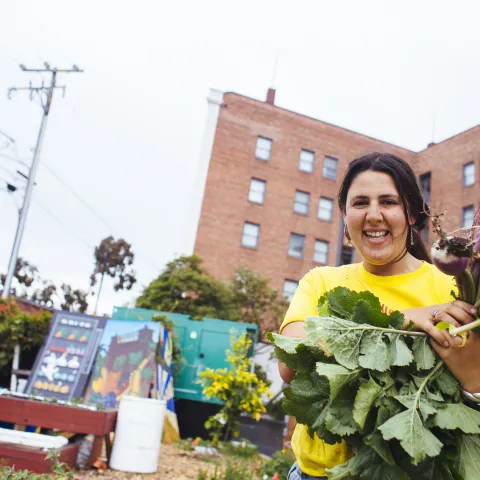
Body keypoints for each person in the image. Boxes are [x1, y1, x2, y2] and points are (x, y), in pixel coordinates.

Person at [278, 152, 480, 480]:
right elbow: (291, 359)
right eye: (360, 203)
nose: (373, 215)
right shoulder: (322, 281)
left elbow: (474, 384)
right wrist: (403, 321)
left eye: (387, 201)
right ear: (345, 216)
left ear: (411, 213)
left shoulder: (452, 289)